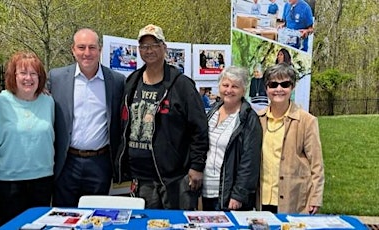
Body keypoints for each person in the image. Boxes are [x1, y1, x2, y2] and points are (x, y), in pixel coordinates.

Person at [115, 24, 209, 210]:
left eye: (154, 45)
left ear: (164, 47)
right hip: (141, 177)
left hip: (174, 178)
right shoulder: (132, 81)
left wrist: (197, 166)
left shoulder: (182, 85)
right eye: (143, 46)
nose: (148, 50)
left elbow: (199, 128)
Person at [49, 28, 125, 207]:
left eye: (92, 47)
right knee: (63, 217)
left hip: (100, 164)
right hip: (66, 162)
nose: (87, 53)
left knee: (96, 218)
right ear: (73, 50)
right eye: (81, 47)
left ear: (100, 49)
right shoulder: (57, 78)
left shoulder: (116, 81)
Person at [0, 51, 54, 228]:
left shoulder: (49, 102)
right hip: (7, 183)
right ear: (13, 76)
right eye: (23, 73)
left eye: (34, 73)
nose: (28, 78)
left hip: (42, 180)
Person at [257, 63, 324, 214]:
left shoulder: (307, 121)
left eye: (285, 84)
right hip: (261, 199)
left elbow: (317, 165)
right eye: (273, 84)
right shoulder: (258, 119)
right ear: (266, 88)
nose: (279, 89)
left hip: (293, 199)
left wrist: (315, 198)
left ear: (292, 87)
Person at [202, 66, 262, 211]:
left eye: (235, 86)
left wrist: (239, 195)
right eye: (225, 85)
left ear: (243, 90)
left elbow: (250, 160)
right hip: (205, 189)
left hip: (228, 195)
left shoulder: (248, 118)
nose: (229, 90)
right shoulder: (212, 112)